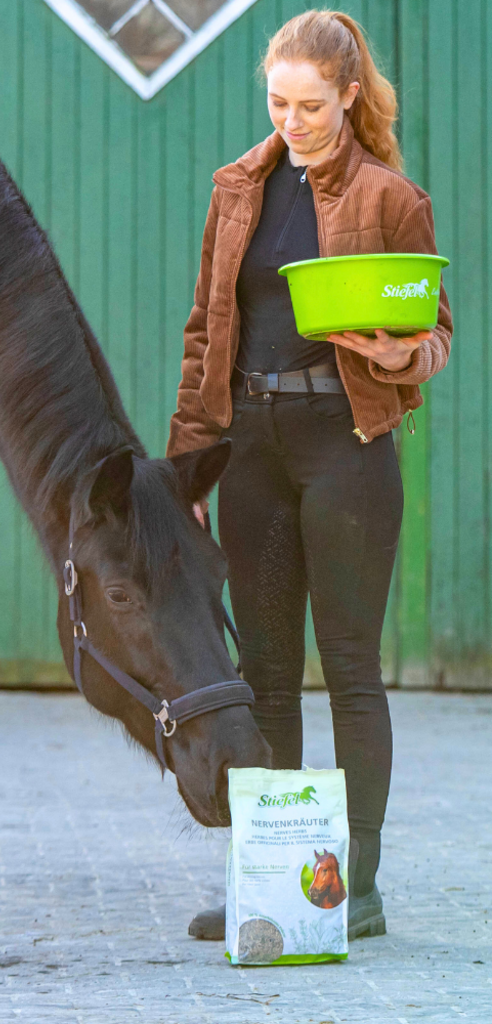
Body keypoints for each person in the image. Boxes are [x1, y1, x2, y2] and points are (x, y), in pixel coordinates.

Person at [167, 10, 452, 942]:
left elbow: (436, 331)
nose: (292, 122)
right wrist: (186, 468)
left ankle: (354, 888)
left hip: (346, 443)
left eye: (311, 107)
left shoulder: (390, 197)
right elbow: (205, 333)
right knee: (264, 674)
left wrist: (400, 355)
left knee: (352, 671)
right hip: (249, 445)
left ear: (350, 97)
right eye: (278, 104)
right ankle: (272, 881)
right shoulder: (236, 189)